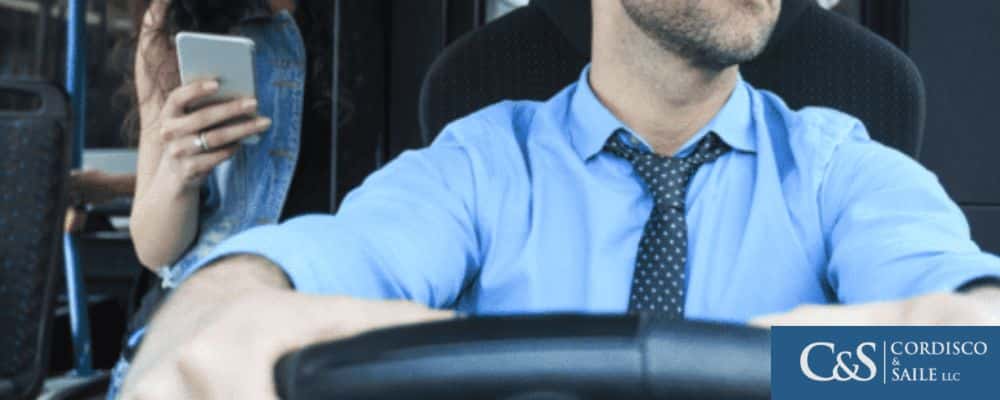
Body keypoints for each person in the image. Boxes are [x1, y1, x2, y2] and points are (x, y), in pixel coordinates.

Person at [121, 0, 1000, 398]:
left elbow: (971, 340)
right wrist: (214, 324)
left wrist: (797, 368)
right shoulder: (478, 163)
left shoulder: (839, 166)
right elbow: (311, 265)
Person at [108, 0, 334, 397]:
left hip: (319, 324)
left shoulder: (374, 21)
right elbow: (153, 247)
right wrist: (179, 172)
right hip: (198, 315)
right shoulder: (173, 16)